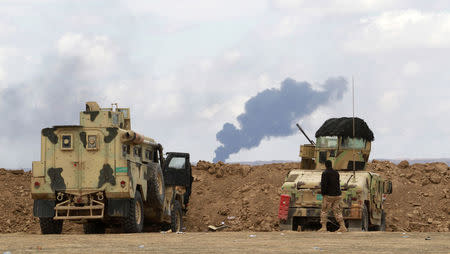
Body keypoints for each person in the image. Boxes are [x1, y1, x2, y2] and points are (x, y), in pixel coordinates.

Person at [319, 160, 347, 233]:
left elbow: (323, 184)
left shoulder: (325, 173)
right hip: (337, 195)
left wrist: (323, 193)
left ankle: (323, 227)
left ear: (325, 165)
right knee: (337, 211)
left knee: (324, 211)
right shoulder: (336, 173)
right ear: (331, 165)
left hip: (329, 195)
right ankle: (342, 226)